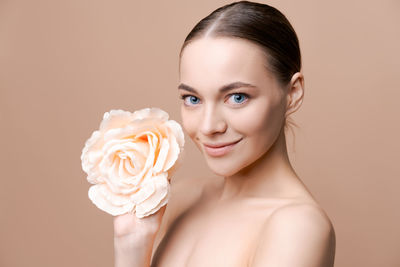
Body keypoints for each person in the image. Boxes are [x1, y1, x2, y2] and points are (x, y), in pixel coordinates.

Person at [113, 1, 336, 266]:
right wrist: (130, 244)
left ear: (293, 93)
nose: (208, 126)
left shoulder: (298, 226)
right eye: (192, 99)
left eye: (237, 97)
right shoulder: (179, 200)